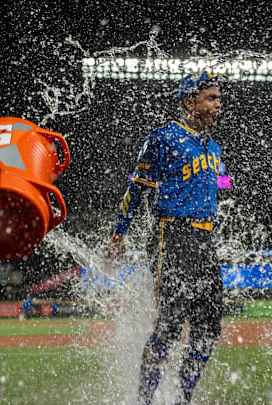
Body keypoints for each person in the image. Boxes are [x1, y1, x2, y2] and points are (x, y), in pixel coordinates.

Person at [107, 71, 223, 404]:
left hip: (205, 242)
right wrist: (119, 234)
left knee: (207, 328)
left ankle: (183, 398)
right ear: (190, 102)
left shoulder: (212, 147)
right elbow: (136, 186)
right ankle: (144, 399)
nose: (219, 105)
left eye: (218, 98)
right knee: (171, 325)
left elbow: (212, 189)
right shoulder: (163, 137)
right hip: (171, 236)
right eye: (211, 98)